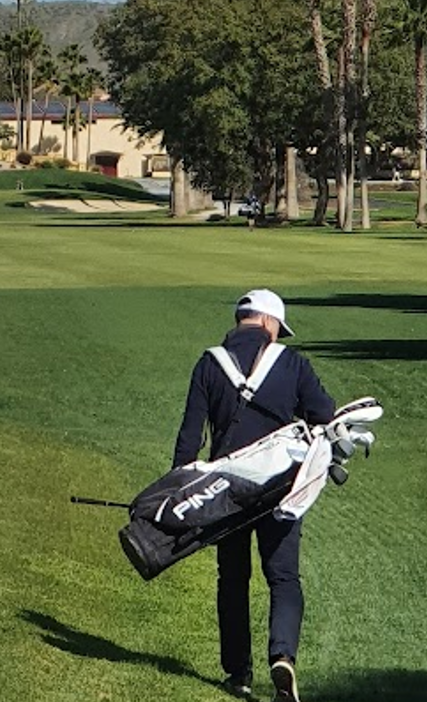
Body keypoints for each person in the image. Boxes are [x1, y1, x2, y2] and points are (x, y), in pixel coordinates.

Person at [172, 290, 335, 702]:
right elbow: (325, 414)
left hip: (226, 490)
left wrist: (180, 495)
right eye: (279, 328)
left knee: (233, 580)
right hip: (280, 489)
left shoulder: (209, 363)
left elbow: (189, 439)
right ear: (267, 323)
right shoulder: (292, 364)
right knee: (283, 577)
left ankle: (238, 672)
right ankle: (283, 657)